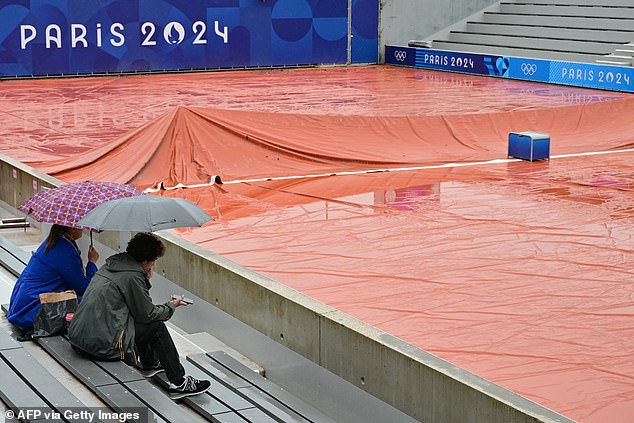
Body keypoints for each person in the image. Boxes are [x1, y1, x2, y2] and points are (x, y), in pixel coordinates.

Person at [68, 232, 210, 399]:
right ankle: (179, 383)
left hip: (78, 339)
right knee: (156, 326)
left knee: (137, 318)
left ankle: (150, 364)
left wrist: (144, 278)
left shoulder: (113, 264)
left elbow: (136, 307)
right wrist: (172, 305)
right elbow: (147, 315)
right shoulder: (133, 276)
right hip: (101, 346)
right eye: (153, 261)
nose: (154, 265)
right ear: (145, 261)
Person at [8, 224, 99, 338]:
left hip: (20, 308)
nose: (84, 229)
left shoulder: (52, 242)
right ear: (73, 228)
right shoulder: (66, 252)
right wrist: (92, 263)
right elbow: (84, 289)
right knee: (91, 302)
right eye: (82, 226)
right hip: (31, 312)